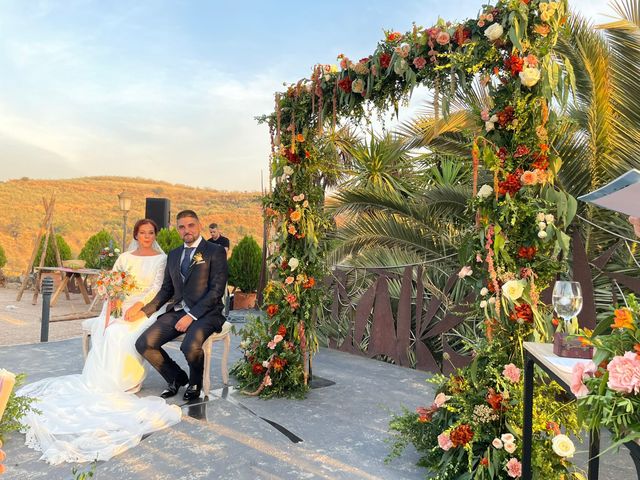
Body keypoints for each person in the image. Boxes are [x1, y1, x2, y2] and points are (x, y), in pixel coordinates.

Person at [17, 219, 181, 465]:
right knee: (110, 327)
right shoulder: (125, 257)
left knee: (122, 334)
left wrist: (139, 307)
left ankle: (127, 381)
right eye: (142, 233)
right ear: (136, 235)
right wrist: (114, 303)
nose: (146, 236)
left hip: (146, 307)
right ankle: (105, 379)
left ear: (154, 235)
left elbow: (158, 289)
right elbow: (115, 282)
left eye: (150, 233)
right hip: (122, 303)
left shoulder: (161, 258)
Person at [131, 210, 228, 401]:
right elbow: (167, 290)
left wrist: (191, 316)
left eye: (191, 225)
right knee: (144, 343)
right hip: (178, 310)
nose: (187, 230)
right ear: (178, 230)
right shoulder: (174, 255)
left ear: (199, 225)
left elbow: (216, 291)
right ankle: (175, 377)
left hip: (207, 312)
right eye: (182, 227)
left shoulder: (214, 251)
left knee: (189, 346)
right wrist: (144, 311)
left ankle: (194, 382)